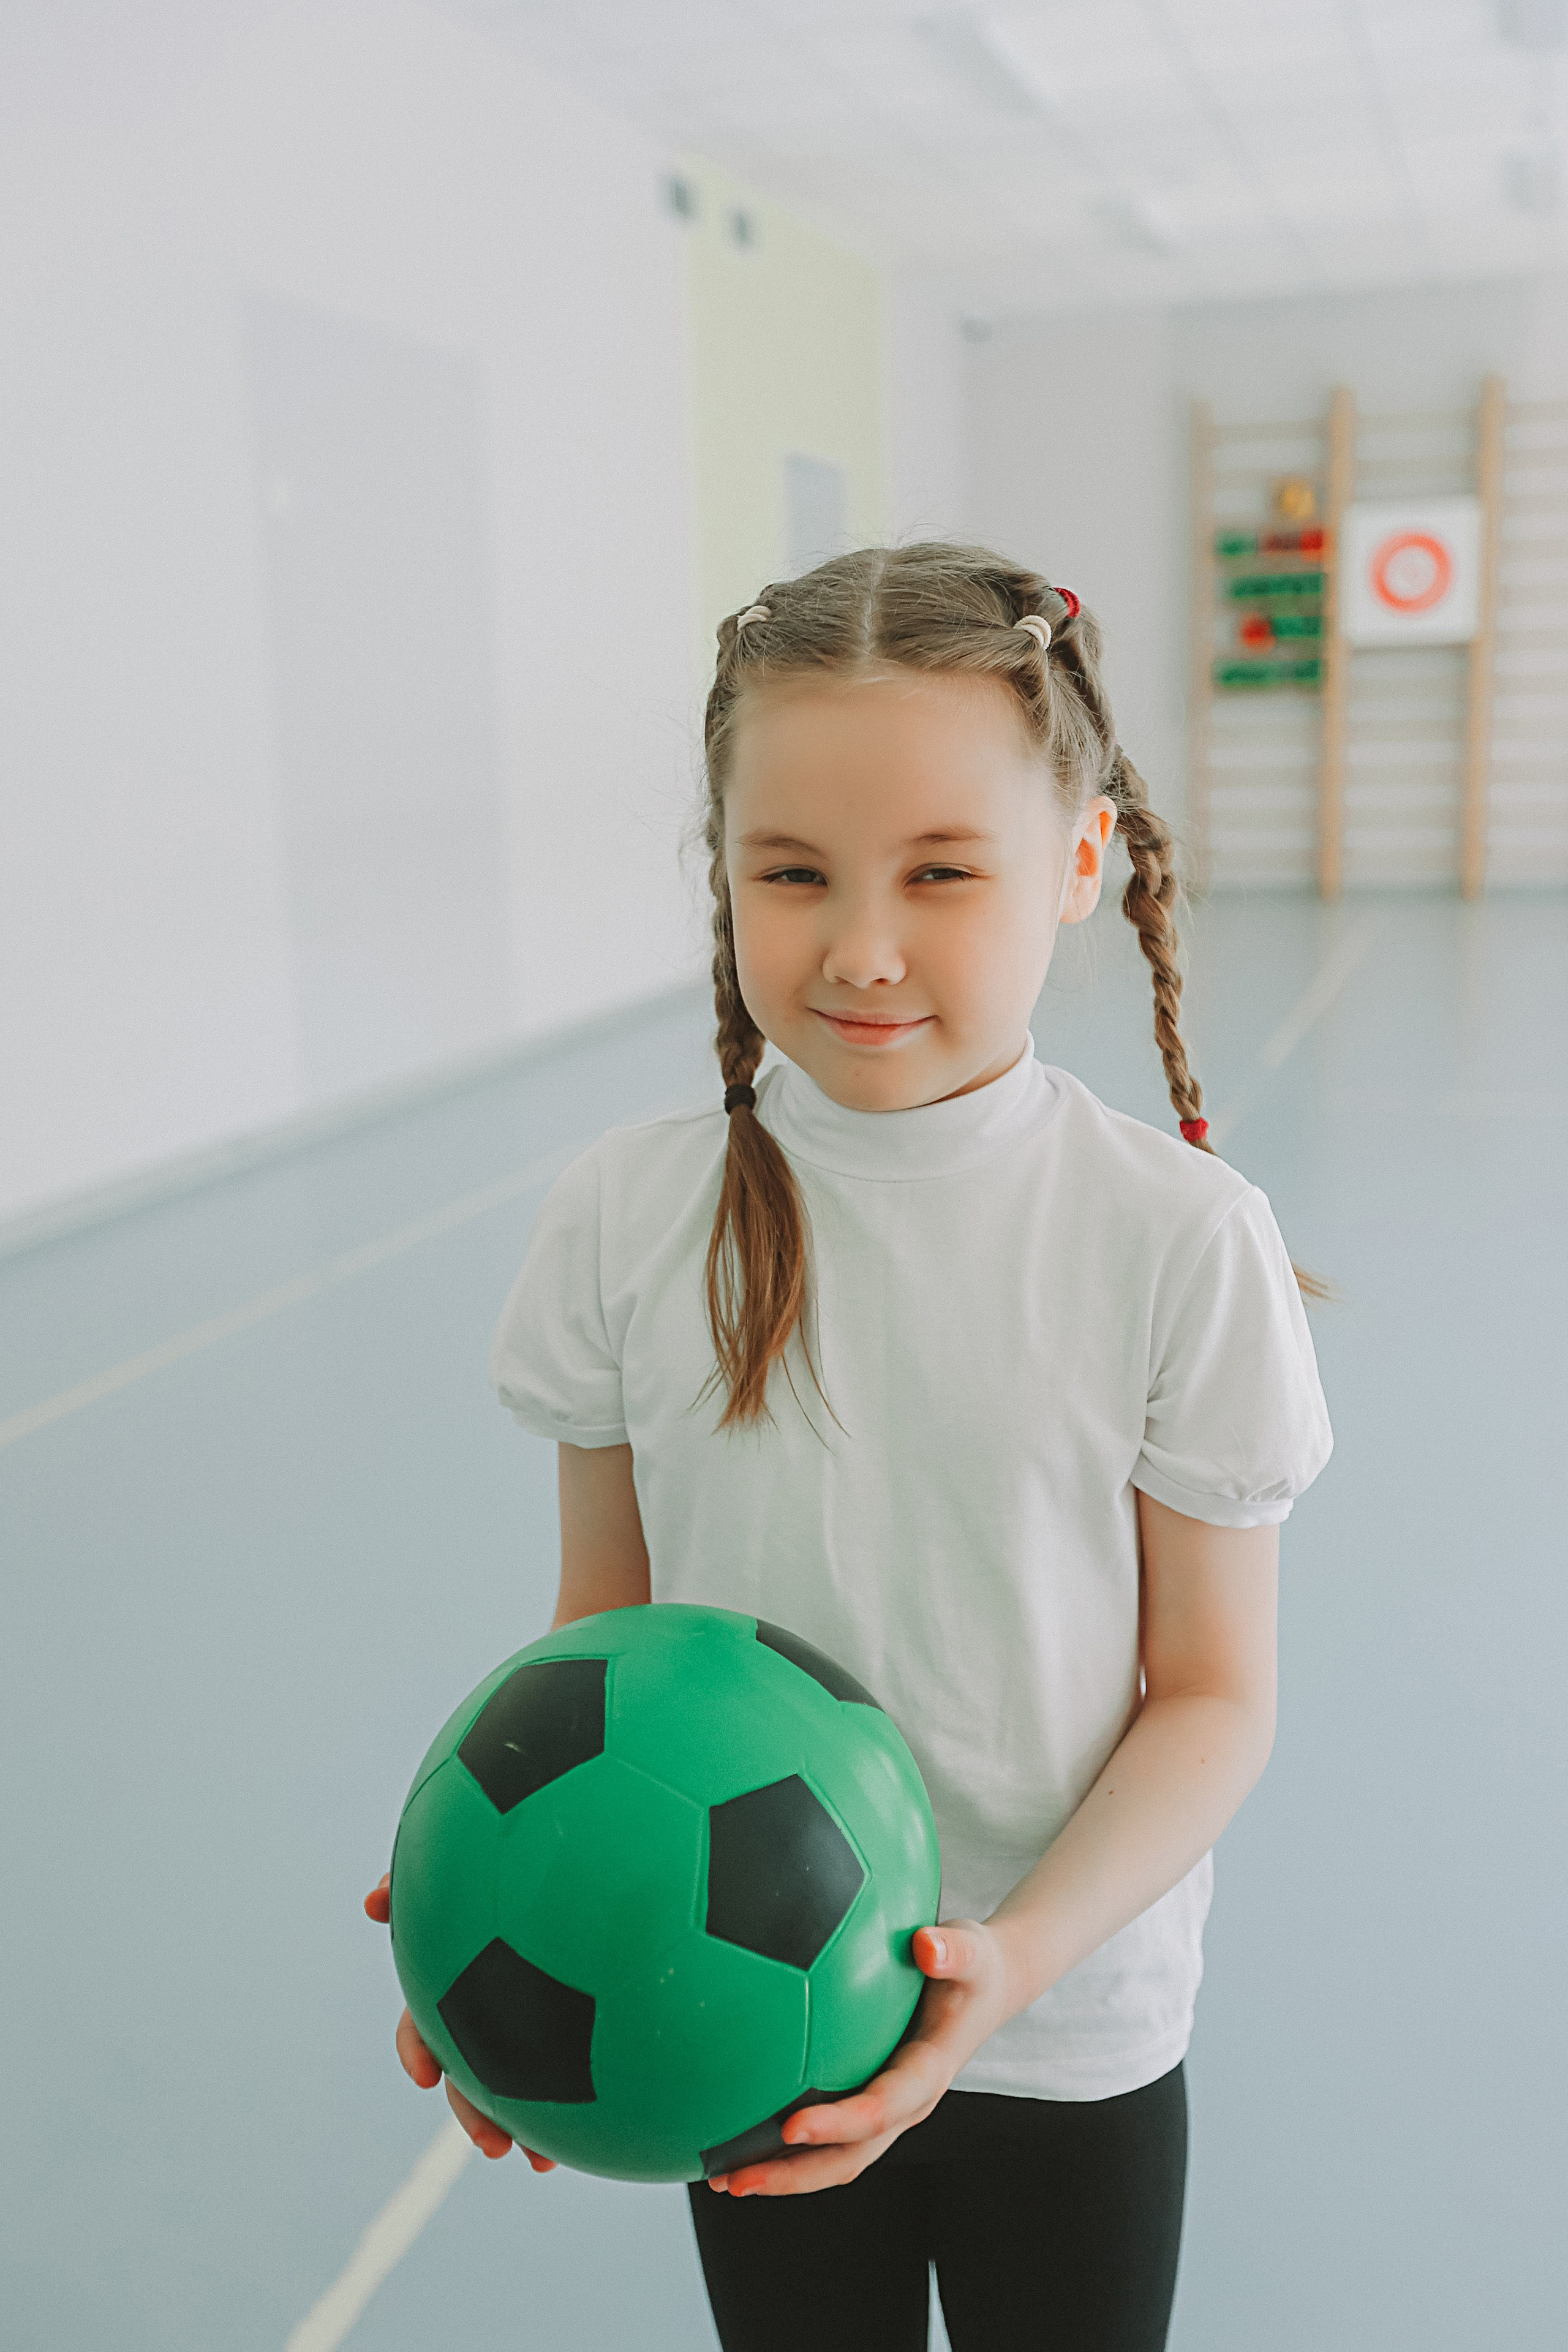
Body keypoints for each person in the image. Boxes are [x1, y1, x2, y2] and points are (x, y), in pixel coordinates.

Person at [365, 543, 1332, 2350]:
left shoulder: (1174, 1235)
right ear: (721, 878)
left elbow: (1215, 1693)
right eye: (790, 873)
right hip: (730, 2035)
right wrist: (498, 1907)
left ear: (1075, 868)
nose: (862, 946)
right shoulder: (627, 1215)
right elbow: (604, 1633)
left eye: (941, 873)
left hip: (1068, 2032)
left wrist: (1013, 1962)